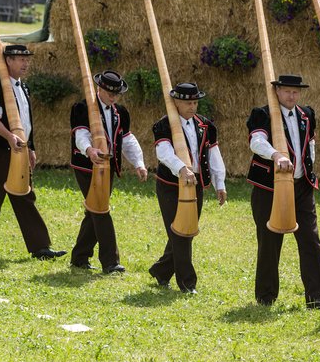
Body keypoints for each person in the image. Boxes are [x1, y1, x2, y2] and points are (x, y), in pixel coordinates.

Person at [247, 74, 320, 310]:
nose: (291, 96)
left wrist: (308, 168)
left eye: (295, 92)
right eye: (287, 91)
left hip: (302, 186)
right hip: (269, 187)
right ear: (276, 92)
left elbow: (311, 143)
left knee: (310, 238)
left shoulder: (307, 114)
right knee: (269, 240)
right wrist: (276, 154)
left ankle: (317, 296)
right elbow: (256, 142)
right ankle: (266, 296)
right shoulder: (263, 113)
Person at [0, 44, 66, 261]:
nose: (25, 63)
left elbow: (25, 122)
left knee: (25, 196)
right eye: (20, 59)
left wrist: (30, 146)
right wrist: (9, 137)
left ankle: (40, 247)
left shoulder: (24, 87)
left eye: (27, 59)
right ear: (8, 61)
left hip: (20, 150)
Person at [149, 82, 227, 293]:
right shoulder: (163, 125)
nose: (191, 107)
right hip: (170, 185)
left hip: (196, 185)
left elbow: (214, 155)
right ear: (176, 102)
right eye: (186, 103)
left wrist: (220, 183)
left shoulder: (206, 125)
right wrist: (182, 168)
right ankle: (187, 283)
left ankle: (160, 270)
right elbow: (163, 152)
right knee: (179, 233)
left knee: (186, 232)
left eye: (194, 102)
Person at [69, 69, 147, 274]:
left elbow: (128, 140)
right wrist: (89, 150)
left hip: (108, 167)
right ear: (99, 89)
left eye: (116, 93)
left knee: (95, 210)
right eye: (109, 92)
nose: (113, 96)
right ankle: (110, 261)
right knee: (101, 210)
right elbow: (80, 134)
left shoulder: (121, 111)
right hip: (87, 166)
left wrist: (139, 163)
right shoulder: (81, 107)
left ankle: (79, 257)